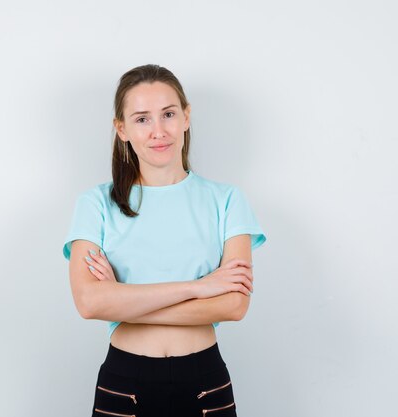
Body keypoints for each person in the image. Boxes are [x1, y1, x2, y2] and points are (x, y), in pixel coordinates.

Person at [62, 64, 267, 417]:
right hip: (124, 382)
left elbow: (233, 305)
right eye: (142, 119)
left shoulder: (227, 200)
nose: (159, 131)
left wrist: (125, 301)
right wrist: (199, 287)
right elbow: (90, 303)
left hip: (205, 382)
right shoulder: (95, 204)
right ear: (122, 129)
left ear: (186, 117)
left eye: (168, 114)